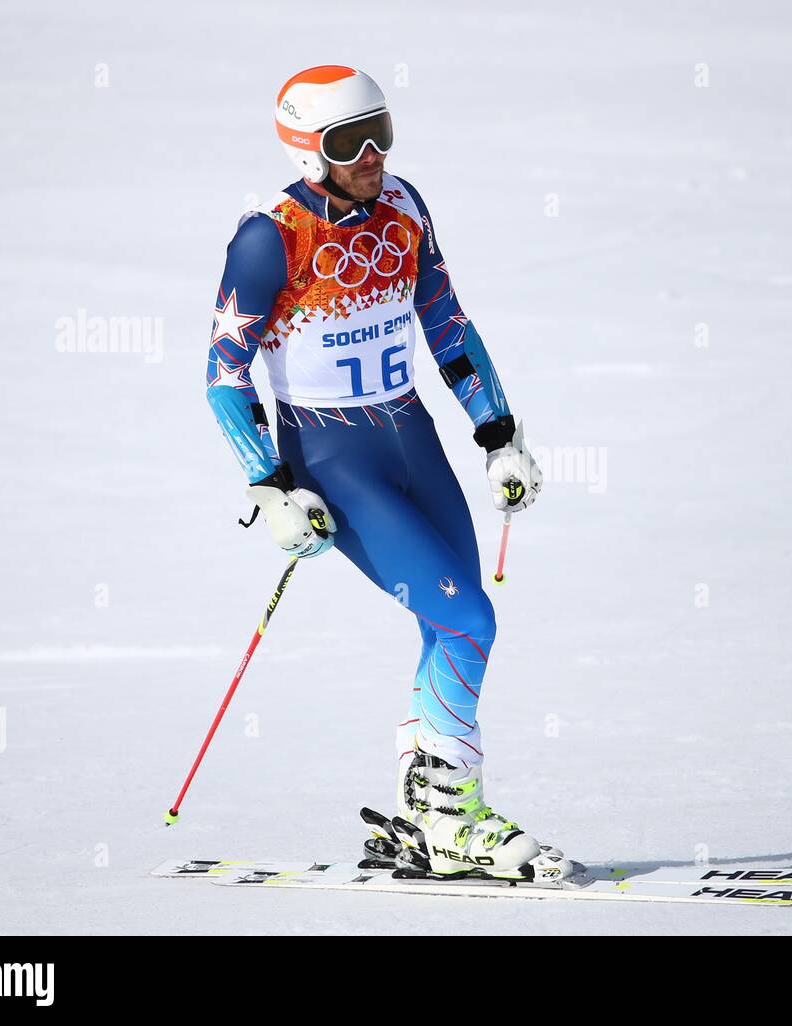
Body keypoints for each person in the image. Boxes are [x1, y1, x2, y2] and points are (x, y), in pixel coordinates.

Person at [205, 66, 562, 881]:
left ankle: (422, 804)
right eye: (346, 141)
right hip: (333, 457)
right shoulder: (270, 236)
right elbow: (225, 371)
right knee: (470, 619)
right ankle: (452, 819)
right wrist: (270, 484)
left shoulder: (404, 205)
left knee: (454, 625)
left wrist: (497, 431)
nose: (371, 154)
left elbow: (445, 318)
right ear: (307, 152)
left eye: (382, 131)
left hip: (411, 436)